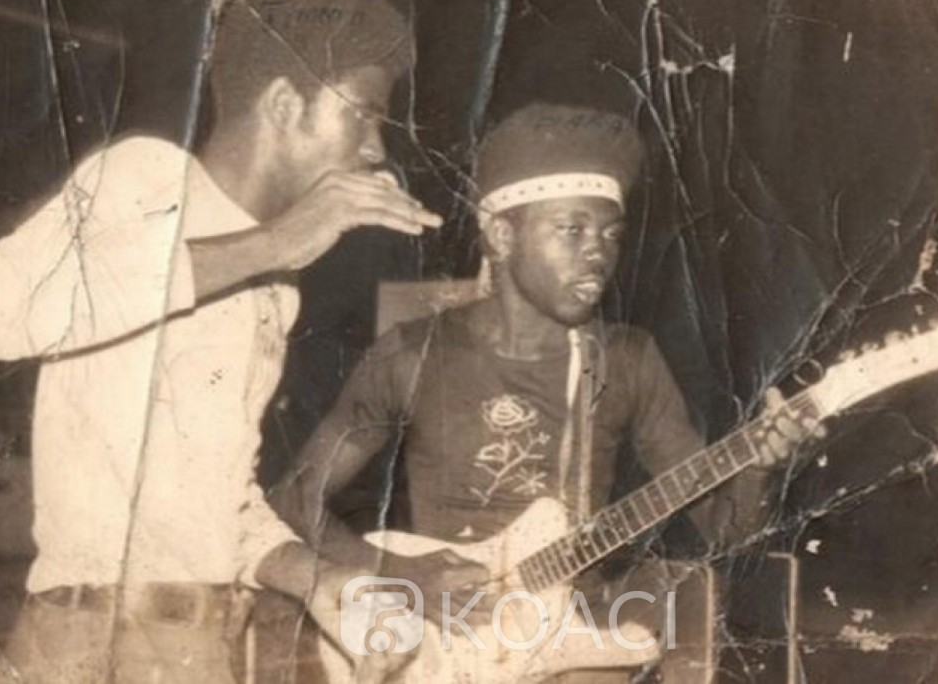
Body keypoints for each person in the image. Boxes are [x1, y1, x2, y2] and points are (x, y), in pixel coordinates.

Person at [0, 0, 440, 681]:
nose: (375, 150)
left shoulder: (273, 286)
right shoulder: (146, 175)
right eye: (364, 114)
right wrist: (276, 242)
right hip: (92, 644)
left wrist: (320, 580)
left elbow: (217, 505)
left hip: (198, 649)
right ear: (284, 104)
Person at [278, 103, 811, 682]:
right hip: (438, 645)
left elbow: (725, 531)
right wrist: (398, 574)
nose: (598, 253)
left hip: (571, 641)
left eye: (610, 234)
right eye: (571, 230)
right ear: (502, 235)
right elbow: (295, 499)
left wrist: (760, 467)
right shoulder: (410, 354)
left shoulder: (627, 360)